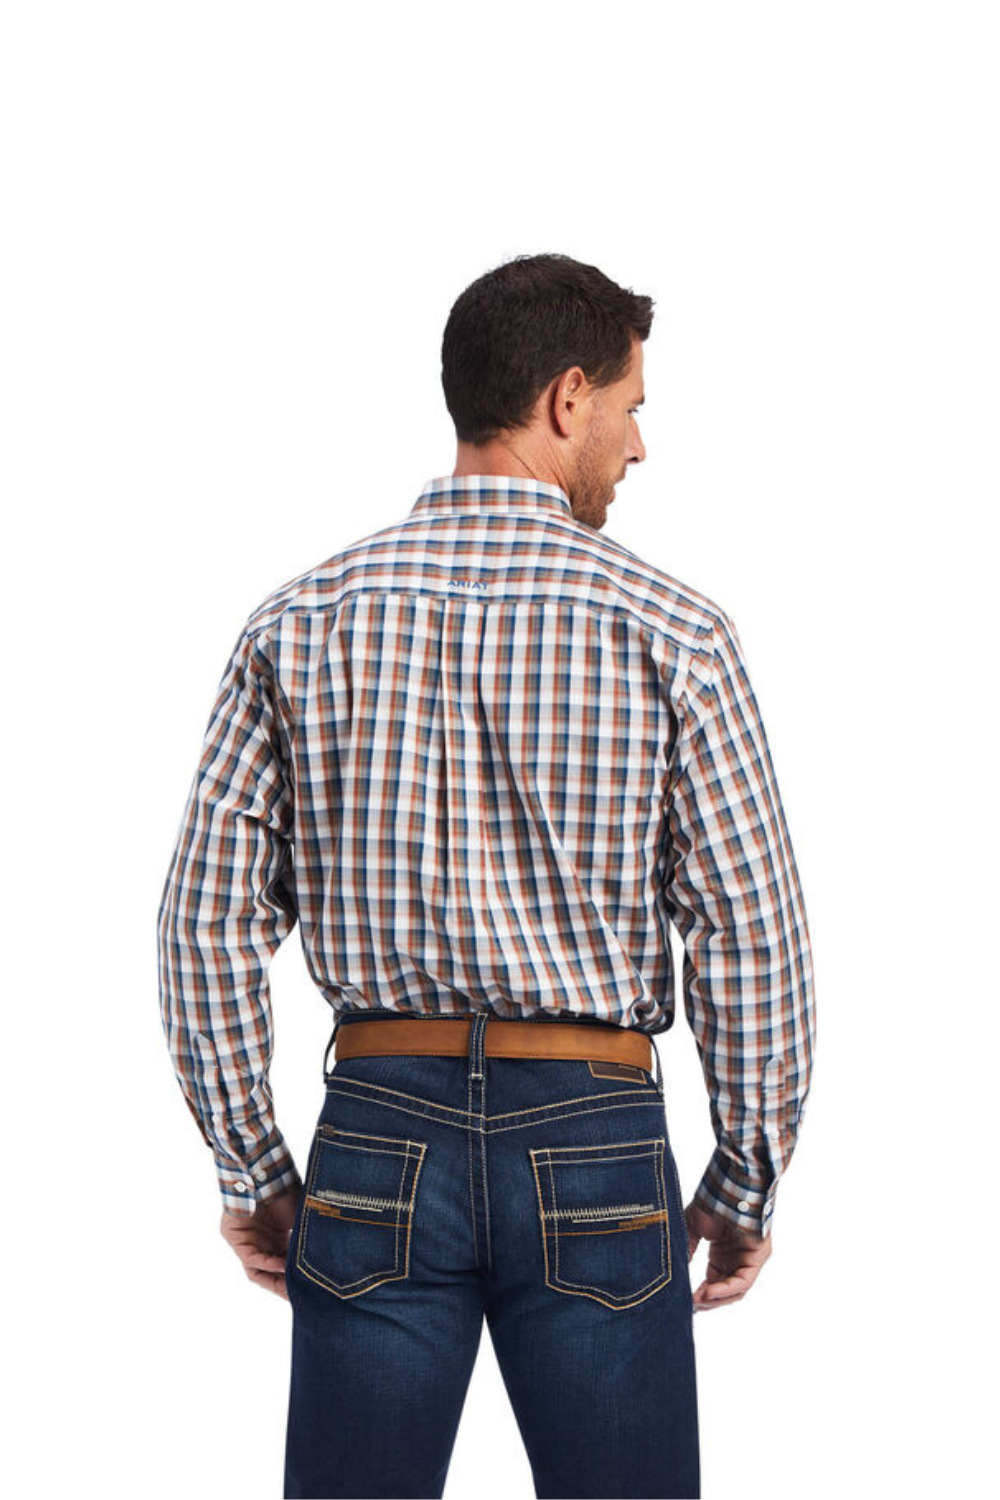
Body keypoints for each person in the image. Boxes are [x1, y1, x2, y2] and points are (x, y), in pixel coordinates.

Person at [157, 251, 815, 1500]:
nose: (638, 443)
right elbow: (749, 930)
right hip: (595, 1136)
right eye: (629, 406)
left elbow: (203, 923)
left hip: (375, 1129)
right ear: (567, 397)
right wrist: (746, 1176)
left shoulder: (300, 622)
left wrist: (252, 1167)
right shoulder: (675, 631)